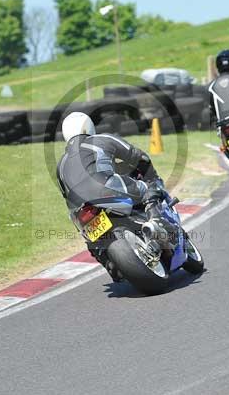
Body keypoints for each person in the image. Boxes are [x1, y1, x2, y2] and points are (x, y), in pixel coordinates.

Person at [56, 112, 175, 281]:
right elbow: (138, 156)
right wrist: (152, 178)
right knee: (149, 188)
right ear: (88, 126)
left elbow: (64, 194)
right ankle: (155, 221)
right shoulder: (101, 139)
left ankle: (107, 261)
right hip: (105, 187)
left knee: (90, 240)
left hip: (79, 210)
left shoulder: (61, 164)